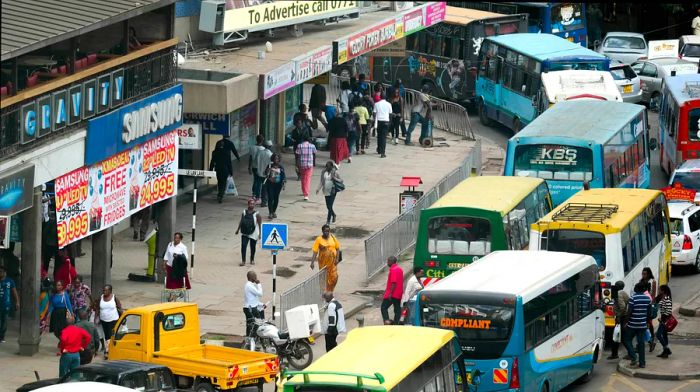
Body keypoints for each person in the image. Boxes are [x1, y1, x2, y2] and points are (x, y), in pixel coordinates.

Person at [623, 282, 652, 369]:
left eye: (635, 287)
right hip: (642, 325)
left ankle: (634, 357)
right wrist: (647, 323)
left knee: (626, 340)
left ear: (637, 289)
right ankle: (642, 363)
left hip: (632, 325)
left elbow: (629, 312)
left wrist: (625, 322)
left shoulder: (633, 298)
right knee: (641, 343)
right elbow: (649, 313)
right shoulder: (647, 299)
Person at [58, 313, 91, 377]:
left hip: (67, 354)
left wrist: (62, 349)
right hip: (76, 354)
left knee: (63, 373)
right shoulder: (79, 330)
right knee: (75, 374)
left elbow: (63, 340)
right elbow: (88, 337)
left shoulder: (65, 331)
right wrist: (82, 346)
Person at [310, 224, 340, 292]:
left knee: (334, 277)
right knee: (324, 277)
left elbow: (338, 248)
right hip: (323, 264)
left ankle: (330, 290)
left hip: (333, 263)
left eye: (328, 231)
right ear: (322, 231)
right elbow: (315, 252)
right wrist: (312, 263)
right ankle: (323, 292)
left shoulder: (332, 237)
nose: (327, 233)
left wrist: (337, 259)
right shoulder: (319, 239)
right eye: (325, 231)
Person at [96, 284, 121, 358]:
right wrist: (96, 317)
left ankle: (108, 351)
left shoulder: (114, 297)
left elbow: (119, 307)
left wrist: (123, 318)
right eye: (103, 290)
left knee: (112, 335)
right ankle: (108, 349)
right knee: (106, 336)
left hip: (113, 319)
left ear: (110, 291)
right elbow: (97, 308)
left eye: (106, 290)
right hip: (104, 320)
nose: (104, 291)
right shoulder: (101, 298)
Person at [236, 198, 262, 266]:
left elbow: (259, 224)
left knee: (252, 246)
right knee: (243, 246)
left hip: (254, 232)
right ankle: (243, 261)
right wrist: (238, 229)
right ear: (248, 204)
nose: (252, 205)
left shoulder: (257, 214)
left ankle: (252, 259)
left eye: (253, 204)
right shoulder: (244, 212)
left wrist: (260, 233)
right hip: (245, 231)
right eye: (251, 204)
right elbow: (241, 221)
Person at [608, 280, 629, 360]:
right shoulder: (624, 293)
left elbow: (622, 306)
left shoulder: (618, 294)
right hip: (624, 317)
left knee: (619, 336)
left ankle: (630, 353)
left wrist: (619, 316)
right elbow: (628, 301)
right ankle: (614, 353)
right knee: (617, 335)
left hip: (621, 318)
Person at [263, 153, 286, 220]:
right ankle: (270, 212)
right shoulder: (269, 165)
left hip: (278, 185)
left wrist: (284, 183)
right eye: (275, 158)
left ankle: (274, 211)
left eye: (277, 158)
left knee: (276, 198)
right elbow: (265, 173)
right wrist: (268, 171)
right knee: (270, 198)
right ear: (273, 159)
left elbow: (283, 176)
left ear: (279, 159)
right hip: (270, 184)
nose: (276, 159)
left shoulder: (281, 167)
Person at [381, 256, 403, 325]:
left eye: (388, 261)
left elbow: (394, 282)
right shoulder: (400, 269)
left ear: (391, 262)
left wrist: (390, 293)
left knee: (383, 307)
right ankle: (396, 323)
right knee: (397, 309)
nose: (387, 263)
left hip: (392, 294)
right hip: (398, 294)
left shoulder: (393, 270)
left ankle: (387, 321)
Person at [0, 266, 19, 343]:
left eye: (1, 271)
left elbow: (14, 292)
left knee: (4, 321)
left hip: (6, 304)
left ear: (5, 272)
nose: (0, 273)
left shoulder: (10, 281)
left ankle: (2, 336)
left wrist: (17, 301)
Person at [640, 267, 657, 352]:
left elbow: (653, 295)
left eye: (645, 274)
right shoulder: (642, 281)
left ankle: (651, 339)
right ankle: (649, 341)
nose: (643, 275)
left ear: (649, 274)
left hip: (648, 304)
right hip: (642, 303)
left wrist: (651, 304)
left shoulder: (652, 281)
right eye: (642, 274)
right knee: (644, 324)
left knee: (649, 323)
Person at [243, 271, 264, 337]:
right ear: (252, 277)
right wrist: (259, 284)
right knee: (254, 324)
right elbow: (260, 294)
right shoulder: (249, 286)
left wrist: (261, 304)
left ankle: (252, 338)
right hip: (250, 309)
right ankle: (251, 339)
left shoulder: (250, 285)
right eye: (255, 276)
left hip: (252, 307)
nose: (256, 278)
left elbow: (253, 299)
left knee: (254, 324)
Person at [655, 284, 673, 358]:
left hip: (665, 320)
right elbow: (655, 301)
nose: (658, 291)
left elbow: (668, 311)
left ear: (663, 291)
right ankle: (665, 352)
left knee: (658, 334)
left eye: (660, 290)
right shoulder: (662, 298)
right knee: (664, 335)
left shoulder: (667, 299)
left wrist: (662, 319)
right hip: (663, 319)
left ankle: (666, 348)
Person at [249, 135, 266, 204]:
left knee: (255, 180)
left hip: (253, 166)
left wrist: (249, 167)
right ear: (262, 141)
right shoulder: (263, 148)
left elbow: (250, 158)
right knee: (259, 182)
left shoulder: (252, 147)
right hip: (259, 167)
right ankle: (258, 196)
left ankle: (253, 194)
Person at [373, 93, 392, 158]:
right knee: (383, 137)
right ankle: (383, 153)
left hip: (379, 121)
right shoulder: (389, 104)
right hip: (386, 121)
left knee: (379, 136)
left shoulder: (376, 104)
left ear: (380, 97)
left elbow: (374, 113)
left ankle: (379, 149)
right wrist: (390, 123)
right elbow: (390, 114)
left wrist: (375, 121)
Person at [257, 140, 274, 207]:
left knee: (261, 187)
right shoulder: (270, 154)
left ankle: (260, 199)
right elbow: (271, 165)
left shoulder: (260, 153)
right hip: (266, 174)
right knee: (265, 188)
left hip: (259, 172)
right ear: (270, 146)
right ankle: (264, 201)